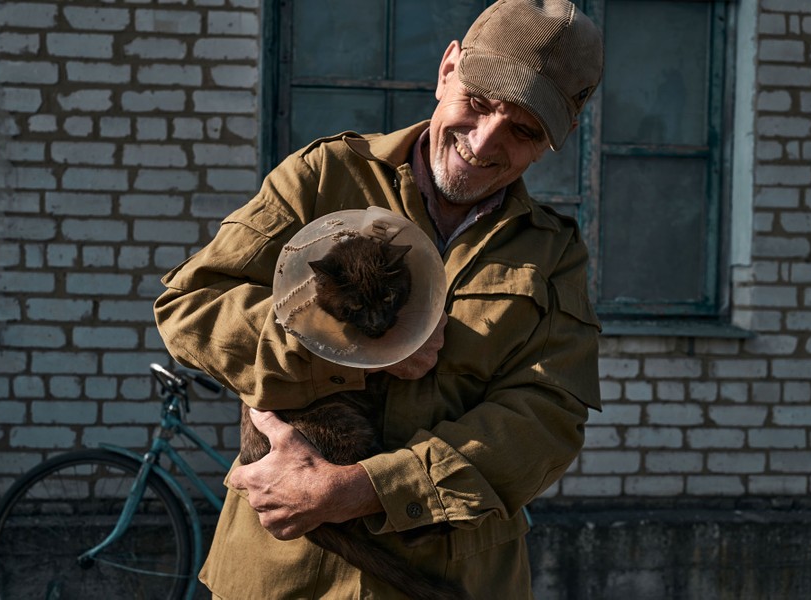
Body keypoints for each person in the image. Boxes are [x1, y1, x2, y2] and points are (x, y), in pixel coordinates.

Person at [154, 0, 603, 597]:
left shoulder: (554, 252)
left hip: (447, 579)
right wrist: (347, 347)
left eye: (522, 130)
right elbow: (190, 308)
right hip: (287, 577)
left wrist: (364, 488)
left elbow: (544, 424)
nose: (485, 141)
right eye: (480, 102)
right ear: (448, 69)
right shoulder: (325, 176)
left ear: (556, 140)